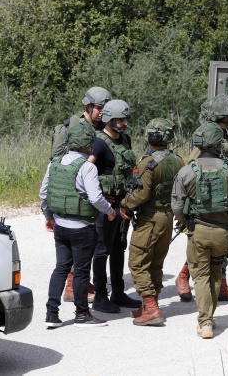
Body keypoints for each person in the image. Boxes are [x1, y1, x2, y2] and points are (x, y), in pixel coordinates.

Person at [171, 123, 228, 339]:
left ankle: (205, 322)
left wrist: (185, 220)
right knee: (215, 274)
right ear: (218, 144)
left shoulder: (187, 171)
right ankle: (209, 318)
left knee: (201, 276)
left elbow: (176, 205)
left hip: (198, 231)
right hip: (223, 231)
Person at [40, 122, 114, 328]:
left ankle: (51, 314)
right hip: (82, 227)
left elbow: (43, 194)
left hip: (60, 226)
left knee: (61, 268)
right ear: (89, 143)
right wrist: (110, 211)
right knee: (81, 272)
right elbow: (95, 198)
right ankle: (82, 314)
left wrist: (49, 216)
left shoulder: (54, 163)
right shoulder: (87, 167)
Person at [176, 94, 228, 303]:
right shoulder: (207, 136)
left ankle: (221, 285)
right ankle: (183, 276)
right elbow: (192, 170)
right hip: (203, 202)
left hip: (223, 199)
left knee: (222, 244)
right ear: (224, 114)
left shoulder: (225, 134)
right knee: (201, 245)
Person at [120, 118, 184, 326]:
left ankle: (151, 308)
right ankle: (150, 304)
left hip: (150, 218)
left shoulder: (148, 163)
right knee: (156, 262)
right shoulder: (178, 161)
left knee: (138, 262)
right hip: (168, 216)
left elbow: (142, 194)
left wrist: (125, 204)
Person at [51, 86, 111, 304]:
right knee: (78, 239)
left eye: (105, 108)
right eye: (100, 108)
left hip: (95, 186)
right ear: (88, 106)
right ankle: (72, 285)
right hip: (75, 189)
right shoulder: (71, 127)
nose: (103, 112)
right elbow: (57, 161)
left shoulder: (103, 128)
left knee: (93, 240)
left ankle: (81, 281)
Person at [88, 99, 141, 313]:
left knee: (119, 248)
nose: (125, 123)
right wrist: (99, 195)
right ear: (109, 120)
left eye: (126, 119)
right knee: (102, 251)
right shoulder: (99, 142)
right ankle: (100, 296)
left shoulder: (125, 139)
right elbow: (85, 171)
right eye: (120, 120)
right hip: (105, 207)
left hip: (124, 204)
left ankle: (118, 292)